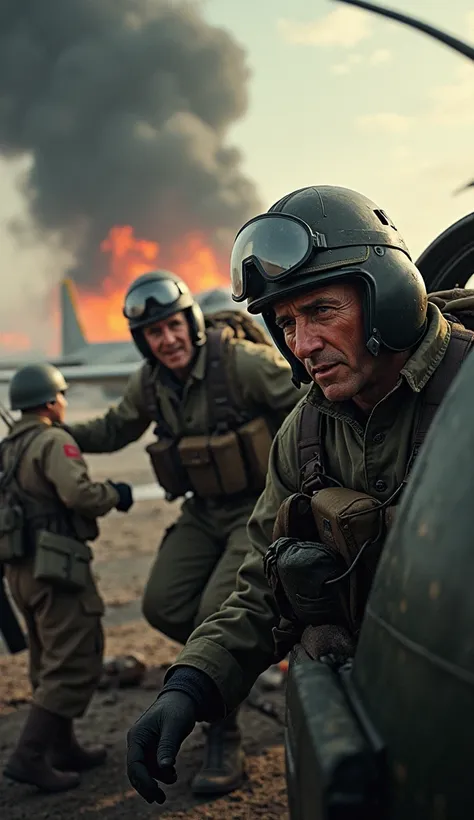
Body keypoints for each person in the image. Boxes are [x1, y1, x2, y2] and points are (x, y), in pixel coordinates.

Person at [125, 184, 474, 805]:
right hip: (376, 712)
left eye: (321, 311)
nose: (301, 344)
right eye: (286, 323)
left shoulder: (468, 388)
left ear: (387, 296)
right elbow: (262, 583)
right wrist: (191, 684)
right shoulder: (305, 433)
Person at [66, 270, 304, 795]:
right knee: (162, 605)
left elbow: (308, 405)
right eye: (154, 333)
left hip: (258, 506)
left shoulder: (243, 364)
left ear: (190, 322)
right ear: (143, 341)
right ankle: (235, 664)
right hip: (203, 511)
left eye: (173, 326)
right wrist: (51, 429)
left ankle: (225, 735)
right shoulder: (150, 383)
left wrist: (299, 483)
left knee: (213, 613)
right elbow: (112, 428)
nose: (167, 339)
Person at [0, 363, 133, 792]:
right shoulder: (53, 440)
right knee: (73, 656)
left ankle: (62, 746)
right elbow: (78, 494)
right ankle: (30, 755)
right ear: (52, 400)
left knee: (46, 656)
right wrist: (115, 494)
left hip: (21, 571)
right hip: (56, 569)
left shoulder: (8, 447)